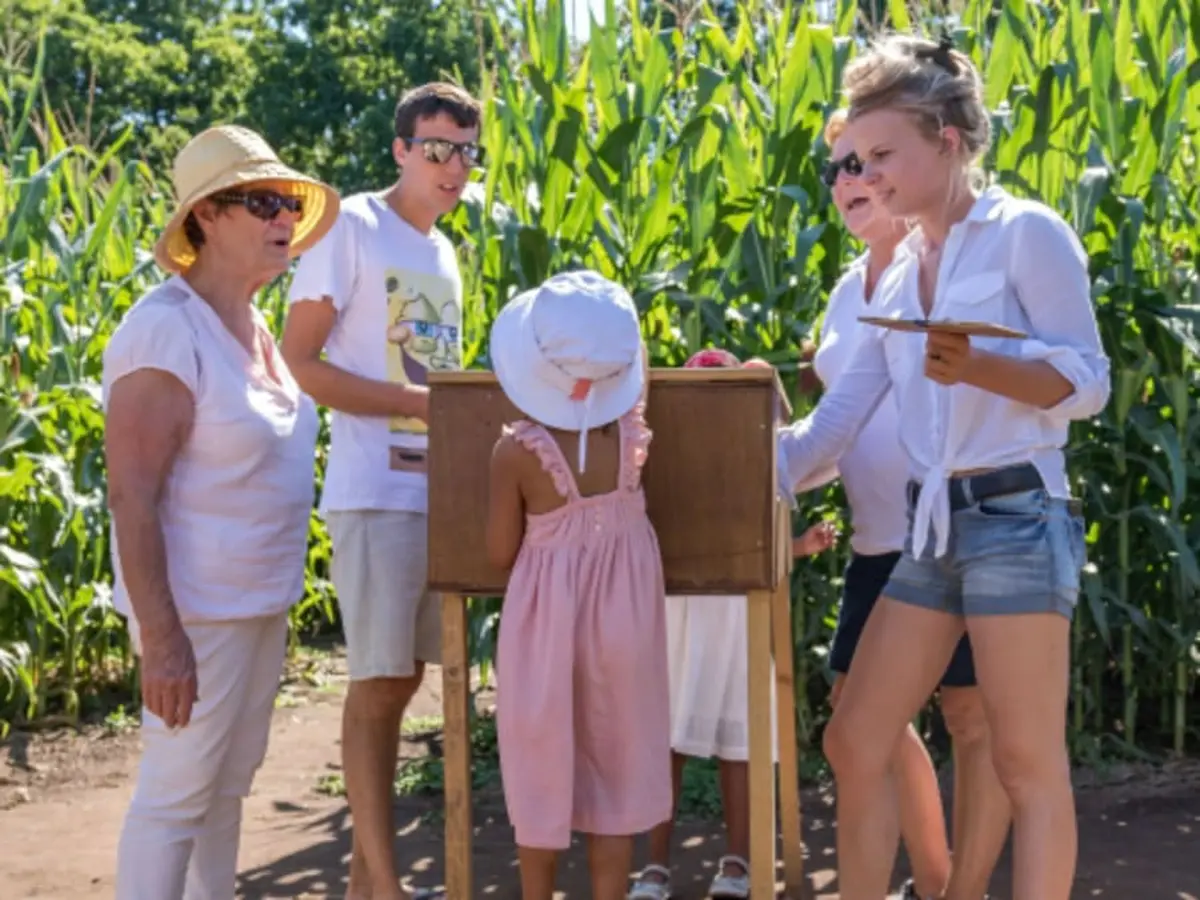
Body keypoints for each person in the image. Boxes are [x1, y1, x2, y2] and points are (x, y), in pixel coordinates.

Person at [774, 35, 1109, 900]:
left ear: (948, 141)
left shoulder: (1024, 233)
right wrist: (700, 462)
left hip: (1017, 518)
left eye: (884, 154)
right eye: (858, 157)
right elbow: (829, 431)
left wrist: (981, 366)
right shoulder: (892, 281)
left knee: (1026, 760)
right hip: (932, 532)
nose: (868, 173)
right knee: (854, 735)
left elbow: (1089, 382)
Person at [103, 124, 338, 899]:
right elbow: (131, 496)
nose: (284, 217)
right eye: (261, 201)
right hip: (197, 616)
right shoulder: (166, 329)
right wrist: (163, 638)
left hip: (256, 607)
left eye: (287, 201)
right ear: (205, 216)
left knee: (226, 790)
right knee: (175, 799)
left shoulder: (259, 328)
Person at [280, 81, 482, 900]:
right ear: (400, 150)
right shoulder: (351, 229)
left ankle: (372, 886)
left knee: (404, 681)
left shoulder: (443, 253)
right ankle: (385, 890)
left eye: (466, 152)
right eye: (436, 148)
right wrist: (412, 403)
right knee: (376, 680)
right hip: (374, 492)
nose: (453, 166)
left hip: (436, 496)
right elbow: (301, 361)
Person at [805, 109, 1011, 900]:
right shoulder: (843, 293)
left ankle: (956, 889)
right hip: (873, 540)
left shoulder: (950, 270)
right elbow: (837, 428)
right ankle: (934, 877)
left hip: (948, 531)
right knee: (859, 719)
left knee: (969, 716)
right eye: (839, 168)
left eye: (868, 160)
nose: (852, 180)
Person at [483, 269, 670, 900]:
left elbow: (497, 551)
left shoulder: (516, 453)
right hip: (625, 629)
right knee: (614, 766)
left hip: (546, 630)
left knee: (540, 759)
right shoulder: (632, 436)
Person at [627, 348, 839, 900]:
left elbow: (765, 541)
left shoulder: (761, 460)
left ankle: (738, 862)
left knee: (740, 743)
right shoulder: (663, 466)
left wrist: (800, 545)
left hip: (737, 617)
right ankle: (654, 867)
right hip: (680, 618)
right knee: (665, 742)